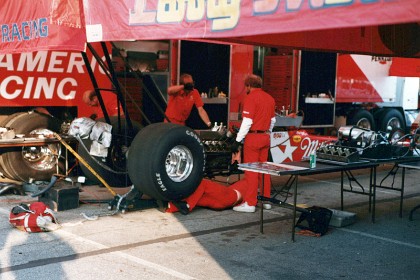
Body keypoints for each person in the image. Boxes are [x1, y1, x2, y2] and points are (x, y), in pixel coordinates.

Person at [230, 74, 276, 213]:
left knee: (251, 171)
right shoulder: (270, 98)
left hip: (253, 138)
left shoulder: (250, 98)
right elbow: (273, 120)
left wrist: (237, 140)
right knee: (264, 170)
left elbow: (247, 122)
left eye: (246, 87)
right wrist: (267, 132)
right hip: (265, 137)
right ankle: (266, 200)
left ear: (249, 86)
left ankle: (250, 203)